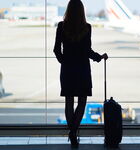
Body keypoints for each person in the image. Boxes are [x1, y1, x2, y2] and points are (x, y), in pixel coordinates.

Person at [53, 0, 108, 148]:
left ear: (68, 10)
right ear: (82, 11)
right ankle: (73, 132)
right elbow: (87, 51)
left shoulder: (61, 26)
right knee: (82, 102)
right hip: (83, 69)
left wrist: (64, 62)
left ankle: (72, 133)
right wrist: (99, 57)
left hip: (68, 70)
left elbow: (56, 50)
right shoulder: (87, 28)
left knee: (69, 102)